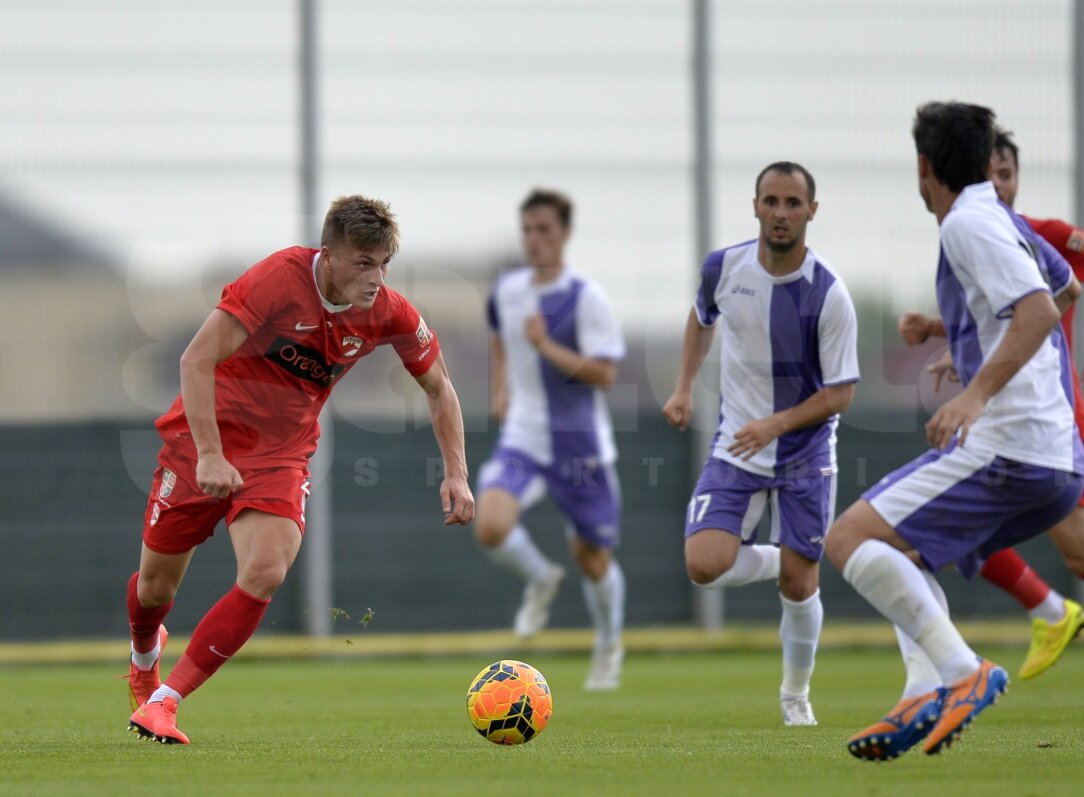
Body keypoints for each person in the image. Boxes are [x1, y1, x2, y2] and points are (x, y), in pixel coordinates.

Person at [125, 195, 475, 745]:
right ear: (329, 255)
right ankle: (144, 656)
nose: (376, 277)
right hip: (202, 441)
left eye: (384, 263)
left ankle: (165, 703)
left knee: (266, 570)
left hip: (280, 455)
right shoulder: (275, 280)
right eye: (364, 263)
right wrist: (212, 453)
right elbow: (196, 360)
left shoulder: (389, 311)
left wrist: (457, 473)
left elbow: (440, 387)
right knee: (154, 587)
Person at [898, 129, 1084, 705]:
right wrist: (942, 335)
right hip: (1004, 418)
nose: (998, 184)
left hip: (1048, 418)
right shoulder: (976, 239)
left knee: (1075, 549)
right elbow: (998, 322)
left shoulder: (1043, 235)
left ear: (1016, 178)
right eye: (989, 174)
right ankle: (1061, 617)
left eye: (1006, 173)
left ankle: (1069, 618)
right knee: (941, 525)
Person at [825, 102, 1084, 762]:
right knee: (903, 553)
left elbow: (1033, 309)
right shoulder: (999, 217)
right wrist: (961, 338)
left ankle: (962, 671)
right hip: (1051, 456)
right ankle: (922, 688)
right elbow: (1062, 289)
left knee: (848, 537)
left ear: (924, 167)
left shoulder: (968, 223)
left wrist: (975, 392)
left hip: (1012, 446)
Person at [662, 162, 859, 726]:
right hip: (736, 448)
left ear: (811, 212)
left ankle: (796, 696)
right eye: (770, 201)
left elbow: (841, 393)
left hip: (805, 453)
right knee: (703, 563)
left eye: (792, 203)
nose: (780, 213)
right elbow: (702, 320)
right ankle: (791, 559)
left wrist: (776, 425)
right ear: (755, 206)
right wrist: (682, 388)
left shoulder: (829, 294)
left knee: (801, 587)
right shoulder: (724, 267)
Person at [473, 189, 627, 690]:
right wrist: (500, 386)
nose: (535, 239)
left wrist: (547, 346)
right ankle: (540, 576)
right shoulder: (508, 290)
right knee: (490, 524)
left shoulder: (587, 298)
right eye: (528, 230)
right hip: (524, 438)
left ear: (564, 234)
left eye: (545, 230)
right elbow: (498, 335)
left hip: (579, 446)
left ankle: (608, 644)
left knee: (592, 557)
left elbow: (605, 375)